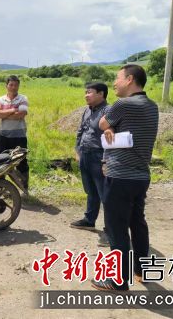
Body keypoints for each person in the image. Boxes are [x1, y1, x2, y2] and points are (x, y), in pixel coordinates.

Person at [92, 64, 159, 292]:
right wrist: (113, 129)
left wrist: (110, 128)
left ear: (130, 79)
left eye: (117, 78)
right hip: (140, 176)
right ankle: (142, 270)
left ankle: (118, 281)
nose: (114, 83)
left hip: (120, 176)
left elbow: (101, 123)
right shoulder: (152, 106)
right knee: (137, 223)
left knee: (116, 228)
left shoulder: (123, 104)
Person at [70, 82, 110, 247]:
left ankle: (111, 231)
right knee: (91, 191)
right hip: (85, 154)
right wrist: (77, 150)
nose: (86, 95)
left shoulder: (108, 111)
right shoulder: (87, 110)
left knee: (106, 195)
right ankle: (89, 220)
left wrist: (106, 160)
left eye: (90, 92)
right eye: (85, 92)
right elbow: (81, 131)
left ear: (101, 94)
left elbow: (111, 136)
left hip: (99, 156)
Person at [0, 75, 29, 194]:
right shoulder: (0, 99)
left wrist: (4, 113)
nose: (13, 87)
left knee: (21, 161)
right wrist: (13, 110)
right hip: (3, 135)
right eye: (11, 85)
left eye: (16, 85)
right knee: (1, 161)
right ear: (6, 86)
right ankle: (0, 188)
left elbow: (21, 115)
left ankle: (24, 189)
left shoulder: (23, 98)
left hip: (19, 136)